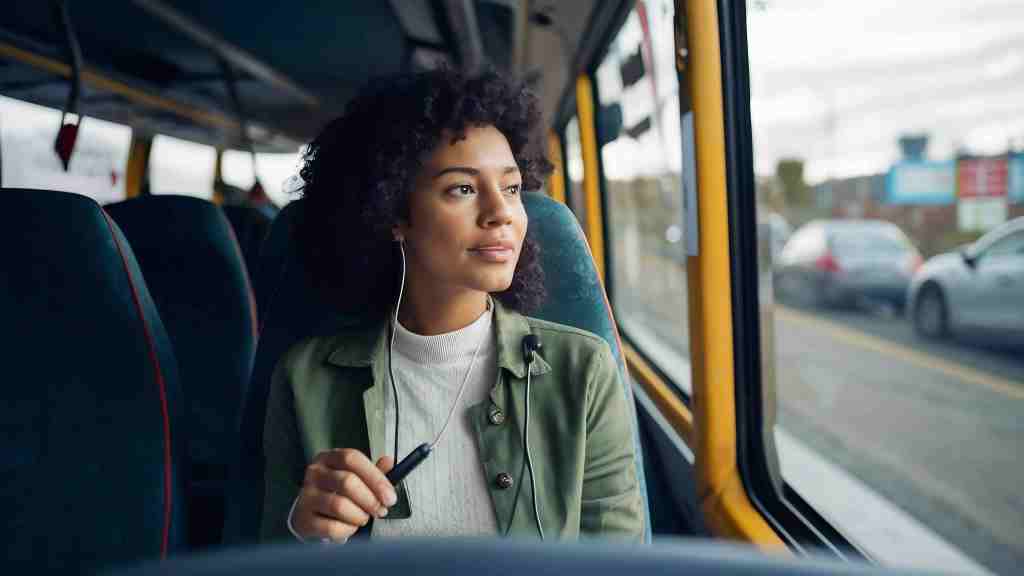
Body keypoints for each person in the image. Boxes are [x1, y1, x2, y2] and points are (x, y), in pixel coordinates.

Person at [260, 67, 643, 544]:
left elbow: (619, 562)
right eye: (462, 189)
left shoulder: (583, 371)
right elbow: (265, 555)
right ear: (394, 214)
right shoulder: (304, 377)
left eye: (511, 188)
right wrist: (303, 527)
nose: (501, 212)